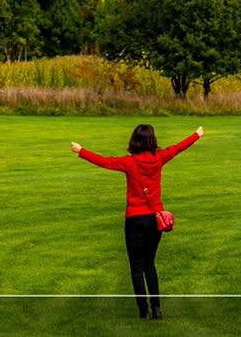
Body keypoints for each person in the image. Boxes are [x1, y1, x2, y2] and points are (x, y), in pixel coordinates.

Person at [71, 123, 203, 319]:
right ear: (153, 140)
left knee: (136, 267)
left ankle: (144, 312)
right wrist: (196, 135)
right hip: (154, 219)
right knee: (150, 264)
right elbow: (178, 148)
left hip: (134, 218)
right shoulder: (159, 158)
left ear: (134, 140)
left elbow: (104, 162)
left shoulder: (129, 163)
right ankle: (157, 307)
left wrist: (81, 151)